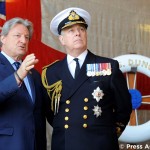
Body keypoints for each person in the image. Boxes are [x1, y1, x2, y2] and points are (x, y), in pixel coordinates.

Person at [42, 7, 132, 150]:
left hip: (99, 143)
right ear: (62, 39)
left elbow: (124, 107)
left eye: (81, 29)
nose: (78, 33)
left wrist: (108, 133)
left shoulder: (108, 66)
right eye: (71, 30)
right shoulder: (50, 72)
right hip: (65, 144)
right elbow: (50, 112)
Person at [0, 17, 51, 150]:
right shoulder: (24, 71)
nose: (23, 41)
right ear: (3, 38)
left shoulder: (34, 74)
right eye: (17, 35)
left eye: (27, 37)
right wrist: (18, 75)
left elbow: (48, 111)